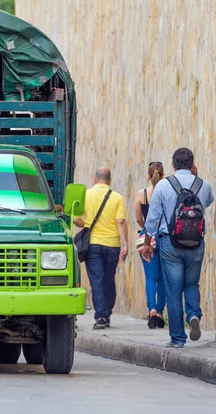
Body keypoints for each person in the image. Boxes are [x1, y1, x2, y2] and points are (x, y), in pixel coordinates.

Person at [141, 148, 214, 348]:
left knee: (173, 290)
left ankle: (177, 338)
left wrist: (147, 244)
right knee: (191, 284)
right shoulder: (204, 185)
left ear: (173, 165)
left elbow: (152, 220)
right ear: (192, 164)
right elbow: (207, 202)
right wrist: (196, 178)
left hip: (169, 244)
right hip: (196, 243)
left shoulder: (163, 186)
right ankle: (193, 315)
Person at [74, 167, 128, 329]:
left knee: (96, 280)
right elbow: (120, 222)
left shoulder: (86, 195)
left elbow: (76, 220)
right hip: (112, 245)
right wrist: (124, 243)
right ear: (109, 180)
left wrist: (86, 225)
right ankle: (107, 312)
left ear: (95, 179)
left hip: (93, 245)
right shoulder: (117, 198)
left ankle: (101, 317)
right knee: (109, 279)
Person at [135, 162, 167, 329]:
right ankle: (161, 312)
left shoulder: (142, 194)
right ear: (163, 174)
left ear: (148, 175)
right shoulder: (167, 192)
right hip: (164, 237)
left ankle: (152, 309)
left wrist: (145, 227)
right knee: (163, 278)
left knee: (151, 277)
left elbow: (138, 218)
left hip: (147, 236)